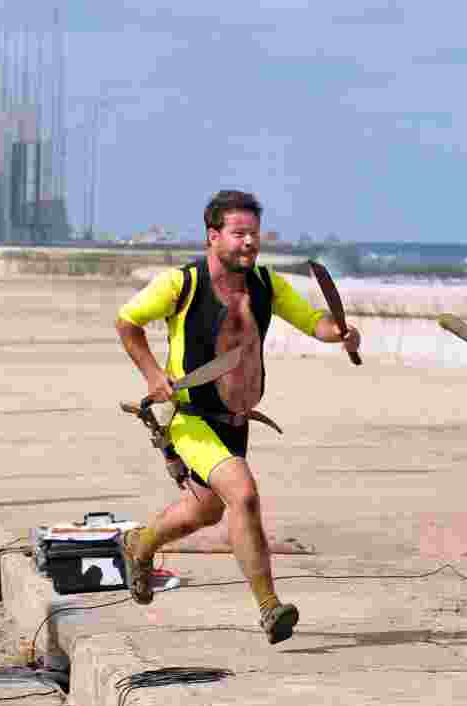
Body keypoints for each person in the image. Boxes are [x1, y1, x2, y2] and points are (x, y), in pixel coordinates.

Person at [115, 190, 361, 644]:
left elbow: (313, 322)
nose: (250, 243)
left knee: (205, 511)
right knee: (243, 495)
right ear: (213, 236)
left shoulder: (267, 285)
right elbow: (127, 322)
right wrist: (153, 375)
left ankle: (139, 545)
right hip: (189, 417)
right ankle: (270, 607)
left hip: (237, 420)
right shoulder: (181, 283)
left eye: (255, 234)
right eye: (239, 233)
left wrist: (340, 333)